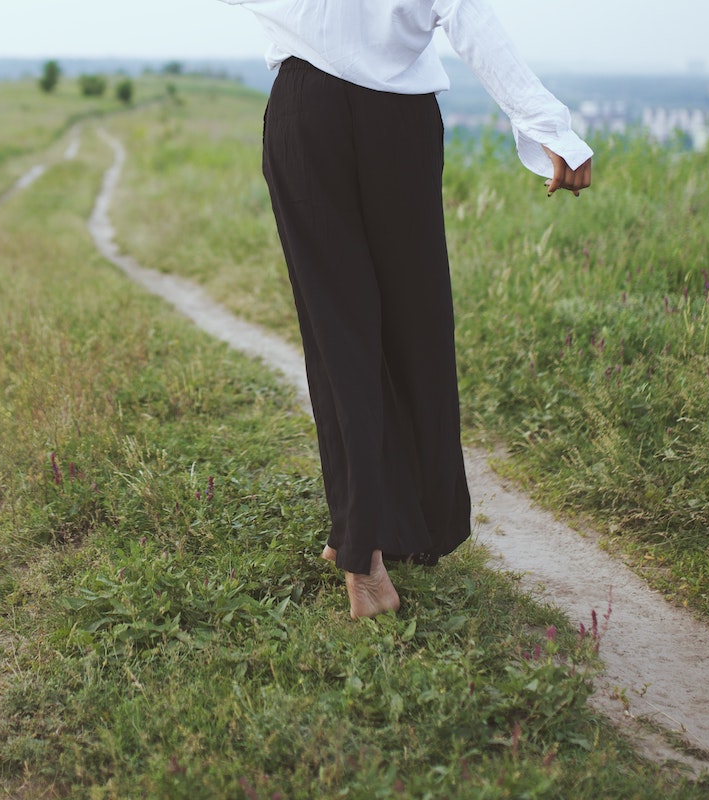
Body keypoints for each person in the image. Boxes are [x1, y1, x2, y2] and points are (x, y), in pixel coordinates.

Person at [217, 0, 593, 618]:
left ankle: (360, 545)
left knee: (340, 334)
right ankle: (369, 539)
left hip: (306, 112)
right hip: (398, 125)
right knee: (412, 328)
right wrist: (552, 128)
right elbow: (468, 17)